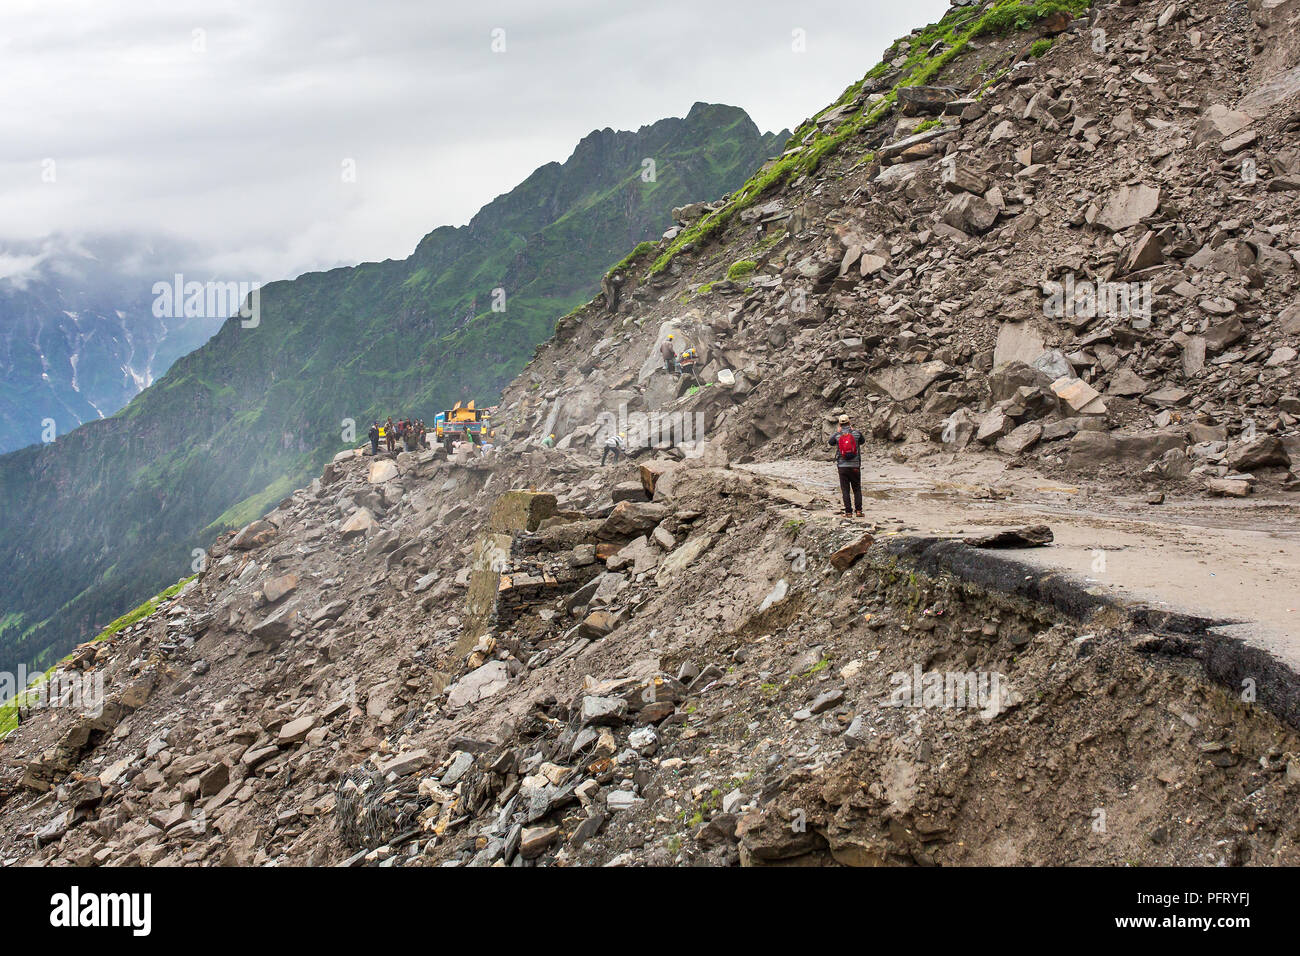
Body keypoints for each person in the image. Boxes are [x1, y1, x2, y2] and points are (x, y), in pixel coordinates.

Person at [829, 414, 865, 517]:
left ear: (840, 424)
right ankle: (859, 511)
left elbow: (830, 442)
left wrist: (838, 432)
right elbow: (862, 441)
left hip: (842, 466)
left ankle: (848, 512)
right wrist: (852, 431)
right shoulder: (856, 434)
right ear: (849, 422)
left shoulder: (838, 435)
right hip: (855, 466)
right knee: (857, 488)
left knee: (845, 490)